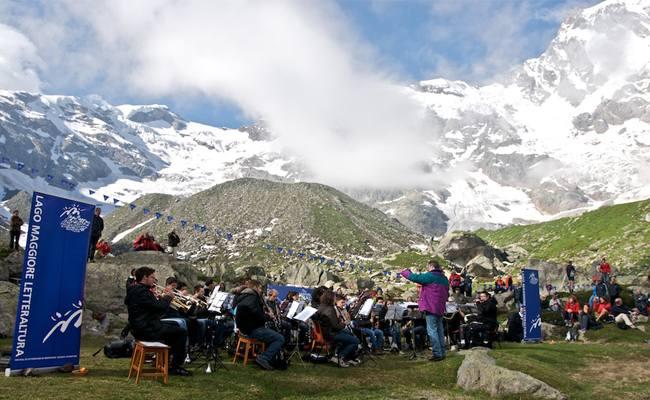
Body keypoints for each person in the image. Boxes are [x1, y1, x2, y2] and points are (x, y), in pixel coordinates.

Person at [124, 266, 190, 376]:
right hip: (147, 329)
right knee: (181, 332)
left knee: (174, 325)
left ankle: (165, 361)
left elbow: (150, 309)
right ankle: (175, 366)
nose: (154, 280)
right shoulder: (143, 292)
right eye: (152, 277)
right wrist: (168, 297)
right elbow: (160, 309)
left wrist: (159, 298)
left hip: (140, 327)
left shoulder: (134, 290)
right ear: (145, 277)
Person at [400, 260, 449, 361]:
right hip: (440, 308)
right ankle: (442, 352)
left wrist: (405, 271)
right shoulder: (444, 278)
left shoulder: (430, 276)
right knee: (439, 330)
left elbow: (415, 278)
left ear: (431, 266)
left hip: (431, 307)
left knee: (432, 331)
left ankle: (437, 354)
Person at [233, 280, 284, 370]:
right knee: (279, 338)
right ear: (255, 287)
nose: (261, 290)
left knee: (272, 333)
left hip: (244, 328)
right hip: (251, 329)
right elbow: (256, 313)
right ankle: (264, 357)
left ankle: (266, 355)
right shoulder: (252, 297)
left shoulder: (242, 295)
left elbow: (250, 311)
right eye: (260, 288)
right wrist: (267, 316)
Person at [317, 292, 359, 367]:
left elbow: (333, 323)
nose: (335, 300)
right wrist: (345, 322)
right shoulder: (330, 309)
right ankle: (339, 357)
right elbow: (336, 326)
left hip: (325, 332)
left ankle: (344, 356)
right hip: (331, 334)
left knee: (349, 334)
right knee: (355, 341)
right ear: (331, 299)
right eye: (334, 298)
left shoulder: (321, 307)